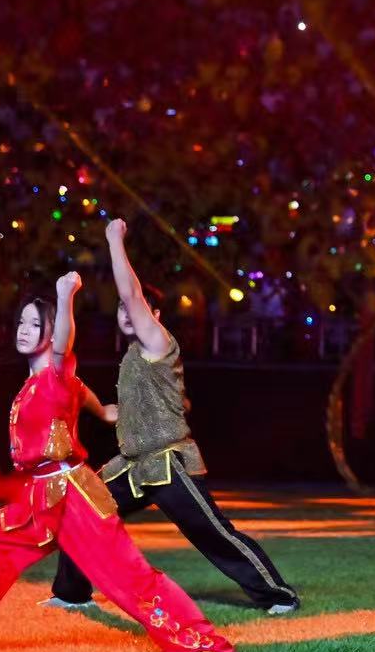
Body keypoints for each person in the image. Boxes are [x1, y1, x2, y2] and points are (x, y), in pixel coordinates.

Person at [0, 273, 235, 652]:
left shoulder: (53, 372)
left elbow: (65, 347)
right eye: (22, 322)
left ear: (53, 336)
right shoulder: (42, 382)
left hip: (74, 498)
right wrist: (102, 411)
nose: (24, 330)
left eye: (37, 325)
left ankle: (193, 636)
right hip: (38, 501)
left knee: (128, 575)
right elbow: (80, 388)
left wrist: (65, 297)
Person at [47, 219, 298, 614]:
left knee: (213, 534)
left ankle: (278, 595)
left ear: (155, 313)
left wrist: (114, 240)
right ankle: (71, 592)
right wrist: (107, 412)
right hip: (132, 464)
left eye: (136, 307)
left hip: (168, 462)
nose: (127, 312)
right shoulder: (131, 357)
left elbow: (131, 295)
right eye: (121, 310)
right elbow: (121, 410)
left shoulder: (158, 341)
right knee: (82, 509)